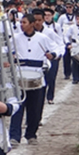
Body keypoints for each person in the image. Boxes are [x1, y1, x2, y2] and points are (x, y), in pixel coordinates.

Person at [9, 13, 50, 146]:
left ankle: (31, 134)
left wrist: (52, 54)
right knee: (18, 108)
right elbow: (6, 50)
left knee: (34, 109)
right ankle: (14, 136)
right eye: (20, 23)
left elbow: (56, 48)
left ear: (32, 24)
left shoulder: (42, 38)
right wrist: (9, 58)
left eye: (24, 22)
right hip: (19, 78)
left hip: (36, 77)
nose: (21, 25)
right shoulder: (15, 38)